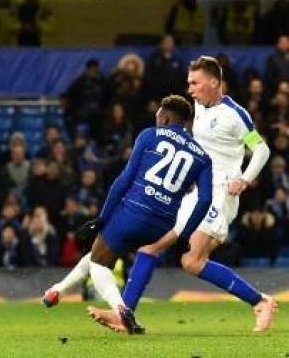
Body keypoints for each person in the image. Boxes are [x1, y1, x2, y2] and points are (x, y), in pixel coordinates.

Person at [84, 57, 277, 333]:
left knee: (192, 261)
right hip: (192, 193)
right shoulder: (195, 108)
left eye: (195, 82)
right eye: (188, 83)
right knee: (149, 248)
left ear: (214, 82)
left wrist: (244, 179)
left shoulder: (235, 115)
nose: (190, 89)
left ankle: (260, 302)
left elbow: (261, 149)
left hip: (219, 194)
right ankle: (124, 314)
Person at [44, 95, 213, 333]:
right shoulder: (203, 157)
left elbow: (123, 180)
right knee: (100, 251)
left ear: (165, 117)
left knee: (99, 264)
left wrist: (103, 218)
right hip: (162, 224)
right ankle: (56, 291)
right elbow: (205, 199)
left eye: (158, 116)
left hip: (134, 211)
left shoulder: (149, 135)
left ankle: (121, 309)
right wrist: (184, 235)